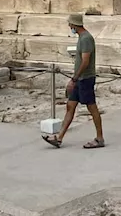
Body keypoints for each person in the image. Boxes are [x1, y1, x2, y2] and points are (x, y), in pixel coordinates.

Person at [43, 14, 104, 149]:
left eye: (70, 24)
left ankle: (99, 138)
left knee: (92, 108)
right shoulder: (82, 38)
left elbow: (85, 61)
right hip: (79, 79)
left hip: (85, 79)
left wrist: (74, 79)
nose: (69, 26)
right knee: (70, 106)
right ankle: (59, 138)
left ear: (75, 25)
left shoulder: (86, 39)